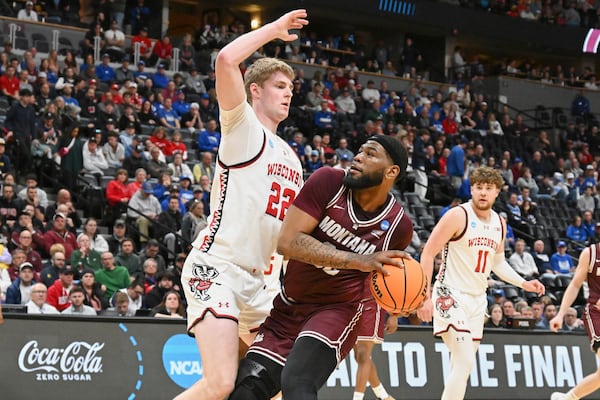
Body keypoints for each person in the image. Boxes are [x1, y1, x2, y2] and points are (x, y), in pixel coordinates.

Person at [175, 10, 308, 400]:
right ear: (255, 90)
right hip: (219, 268)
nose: (288, 92)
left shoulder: (293, 158)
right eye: (280, 85)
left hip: (261, 284)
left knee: (279, 385)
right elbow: (226, 61)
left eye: (291, 88)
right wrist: (273, 31)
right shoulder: (242, 127)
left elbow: (287, 233)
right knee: (219, 384)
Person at [229, 134, 413, 400]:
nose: (358, 157)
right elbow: (288, 242)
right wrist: (355, 260)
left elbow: (389, 279)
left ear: (392, 171)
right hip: (289, 306)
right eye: (359, 150)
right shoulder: (328, 181)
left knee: (297, 381)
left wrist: (400, 305)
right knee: (246, 390)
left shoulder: (399, 227)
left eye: (370, 154)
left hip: (338, 309)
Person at [416, 166, 545, 400]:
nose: (483, 193)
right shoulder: (458, 215)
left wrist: (523, 283)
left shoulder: (500, 223)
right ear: (471, 190)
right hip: (450, 293)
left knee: (461, 367)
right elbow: (427, 253)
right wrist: (424, 297)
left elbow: (498, 263)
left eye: (489, 188)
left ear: (497, 192)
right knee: (464, 361)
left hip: (477, 300)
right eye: (478, 188)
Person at [550, 242, 600, 400]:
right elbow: (575, 284)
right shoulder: (590, 253)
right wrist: (560, 314)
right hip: (596, 313)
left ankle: (568, 398)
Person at [352, 309, 397, 400]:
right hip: (352, 303)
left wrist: (394, 315)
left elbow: (395, 294)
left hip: (371, 306)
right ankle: (383, 396)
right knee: (358, 355)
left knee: (363, 354)